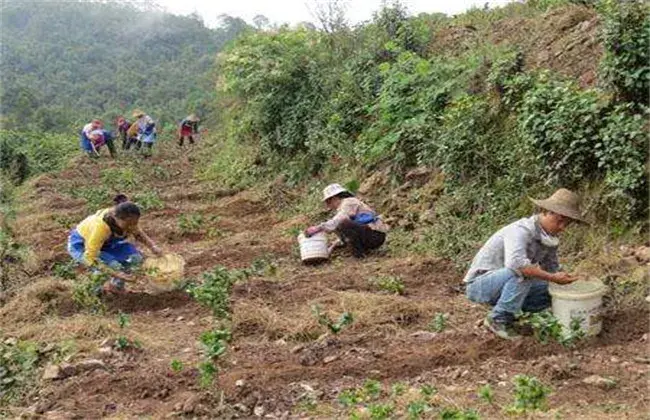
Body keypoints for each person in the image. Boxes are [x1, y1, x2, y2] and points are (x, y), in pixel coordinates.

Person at [463, 188, 587, 340]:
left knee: (553, 289)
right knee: (524, 271)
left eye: (566, 224)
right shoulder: (521, 230)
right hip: (480, 285)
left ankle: (511, 314)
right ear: (546, 211)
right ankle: (498, 319)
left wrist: (572, 280)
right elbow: (517, 265)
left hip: (508, 283)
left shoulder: (549, 239)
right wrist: (553, 277)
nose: (561, 227)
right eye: (559, 221)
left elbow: (552, 270)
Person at [67, 198, 163, 294]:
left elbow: (137, 233)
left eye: (135, 223)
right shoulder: (100, 228)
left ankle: (116, 287)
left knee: (135, 258)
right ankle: (93, 292)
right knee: (113, 265)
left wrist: (153, 247)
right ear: (117, 218)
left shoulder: (127, 218)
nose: (132, 226)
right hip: (81, 245)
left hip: (107, 243)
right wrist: (117, 274)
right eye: (129, 223)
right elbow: (91, 259)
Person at [304, 184, 389, 258]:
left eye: (328, 202)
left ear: (334, 198)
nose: (328, 205)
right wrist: (332, 247)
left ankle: (359, 254)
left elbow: (339, 220)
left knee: (343, 224)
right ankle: (362, 251)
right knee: (341, 226)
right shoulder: (345, 206)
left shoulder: (349, 202)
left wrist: (318, 228)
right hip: (370, 233)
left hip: (375, 235)